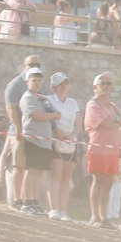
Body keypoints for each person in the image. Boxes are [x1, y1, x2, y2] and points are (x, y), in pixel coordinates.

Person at [0, 54, 40, 208]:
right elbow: (10, 107)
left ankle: (26, 200)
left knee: (31, 167)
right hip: (19, 131)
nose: (35, 66)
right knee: (18, 166)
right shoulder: (15, 84)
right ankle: (16, 199)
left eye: (38, 64)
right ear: (24, 66)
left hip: (33, 131)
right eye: (31, 64)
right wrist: (18, 129)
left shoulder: (39, 83)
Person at [16, 67, 59, 217]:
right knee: (31, 171)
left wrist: (53, 115)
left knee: (39, 173)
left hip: (44, 141)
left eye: (39, 80)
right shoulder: (27, 98)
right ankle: (27, 202)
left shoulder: (42, 98)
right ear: (27, 81)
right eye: (34, 80)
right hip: (32, 139)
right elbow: (37, 115)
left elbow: (55, 115)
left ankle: (34, 202)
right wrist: (52, 115)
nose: (37, 83)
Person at [83, 74, 121, 227]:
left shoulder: (112, 106)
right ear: (95, 86)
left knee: (109, 183)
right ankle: (95, 216)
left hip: (113, 149)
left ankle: (104, 216)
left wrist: (116, 121)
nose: (106, 86)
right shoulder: (92, 105)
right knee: (98, 181)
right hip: (98, 148)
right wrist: (117, 121)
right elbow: (107, 123)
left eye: (109, 83)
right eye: (102, 83)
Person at [44, 72, 80, 221]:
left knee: (66, 177)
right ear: (54, 86)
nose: (63, 86)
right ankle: (54, 208)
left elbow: (78, 123)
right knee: (56, 175)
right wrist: (56, 131)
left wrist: (74, 134)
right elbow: (49, 119)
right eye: (60, 84)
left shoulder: (73, 102)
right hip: (55, 140)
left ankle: (63, 209)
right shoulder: (48, 100)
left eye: (65, 83)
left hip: (70, 141)